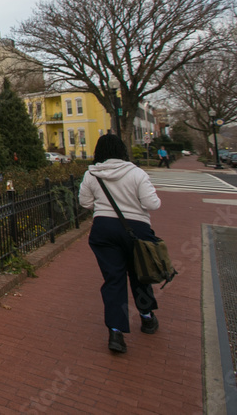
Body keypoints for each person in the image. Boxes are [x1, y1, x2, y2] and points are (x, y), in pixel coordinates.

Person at [79, 134, 162, 354]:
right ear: (122, 150)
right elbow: (151, 203)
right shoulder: (136, 173)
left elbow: (85, 202)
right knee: (140, 273)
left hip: (104, 229)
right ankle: (146, 317)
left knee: (113, 279)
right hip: (136, 229)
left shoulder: (92, 174)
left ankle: (116, 332)